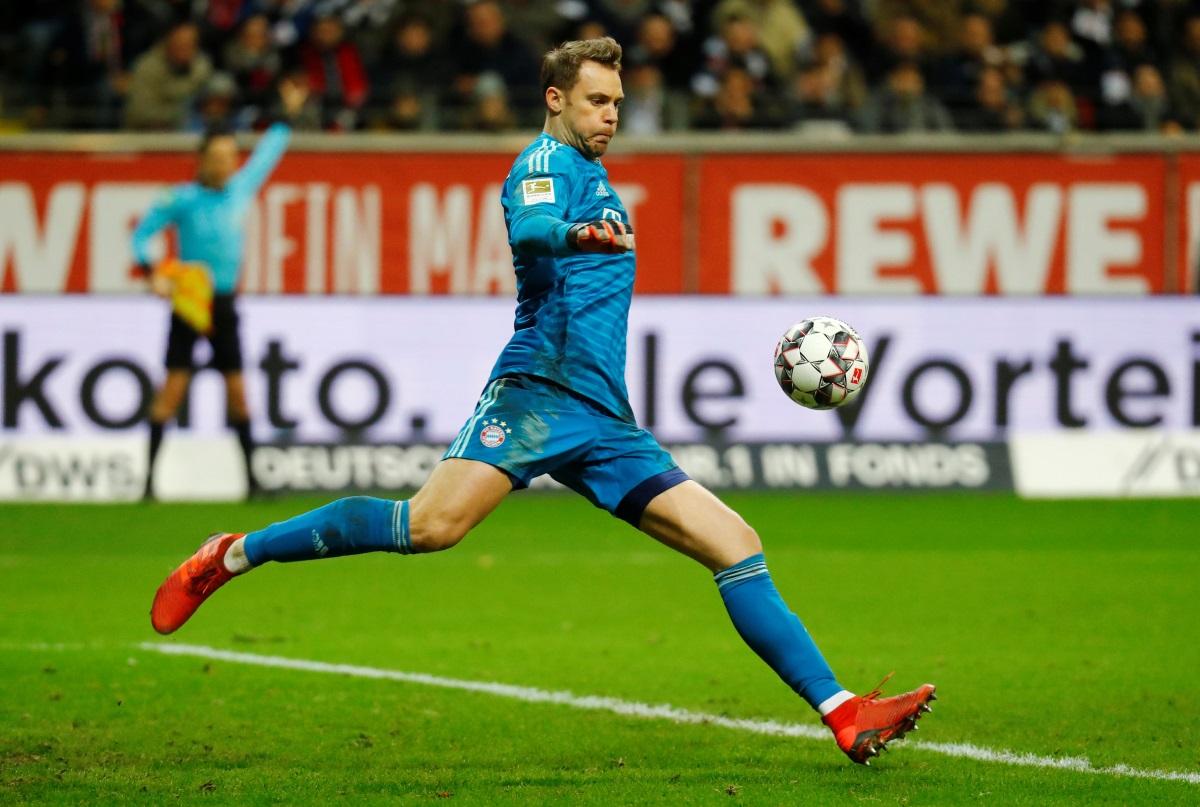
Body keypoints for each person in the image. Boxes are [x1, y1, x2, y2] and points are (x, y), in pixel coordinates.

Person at [148, 38, 935, 766]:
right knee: (428, 526)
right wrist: (574, 237)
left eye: (617, 103)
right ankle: (233, 552)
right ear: (556, 99)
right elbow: (530, 227)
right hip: (538, 391)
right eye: (597, 101)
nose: (611, 115)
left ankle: (844, 712)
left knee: (735, 542)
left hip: (603, 416)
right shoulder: (544, 161)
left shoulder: (592, 174)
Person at [133, 80, 308, 501]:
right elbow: (140, 236)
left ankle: (252, 482)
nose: (226, 165)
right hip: (190, 300)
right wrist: (153, 272)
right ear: (202, 160)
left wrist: (286, 113)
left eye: (231, 157)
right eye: (218, 158)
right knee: (172, 390)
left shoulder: (240, 188)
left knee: (239, 395)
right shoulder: (182, 199)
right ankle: (147, 484)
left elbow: (269, 152)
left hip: (224, 301)